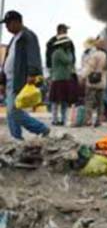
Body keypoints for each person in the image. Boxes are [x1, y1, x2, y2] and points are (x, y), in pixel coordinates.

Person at [3, 11, 50, 140]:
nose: (6, 27)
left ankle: (41, 129)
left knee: (14, 111)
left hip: (19, 79)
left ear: (17, 22)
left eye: (8, 24)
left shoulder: (27, 36)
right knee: (10, 112)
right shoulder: (14, 39)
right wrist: (2, 80)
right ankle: (16, 137)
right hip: (9, 80)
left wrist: (33, 73)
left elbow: (33, 55)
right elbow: (8, 59)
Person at [48, 33, 80, 126]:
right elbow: (68, 61)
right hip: (59, 79)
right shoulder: (59, 52)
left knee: (63, 101)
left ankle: (61, 119)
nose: (68, 44)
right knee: (57, 101)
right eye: (66, 43)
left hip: (63, 79)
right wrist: (70, 53)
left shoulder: (60, 52)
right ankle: (55, 119)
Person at [80, 37, 107, 127]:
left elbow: (90, 68)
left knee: (89, 101)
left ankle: (88, 120)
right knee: (100, 103)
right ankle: (98, 121)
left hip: (92, 82)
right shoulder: (106, 55)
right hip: (102, 82)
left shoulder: (95, 55)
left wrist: (82, 77)